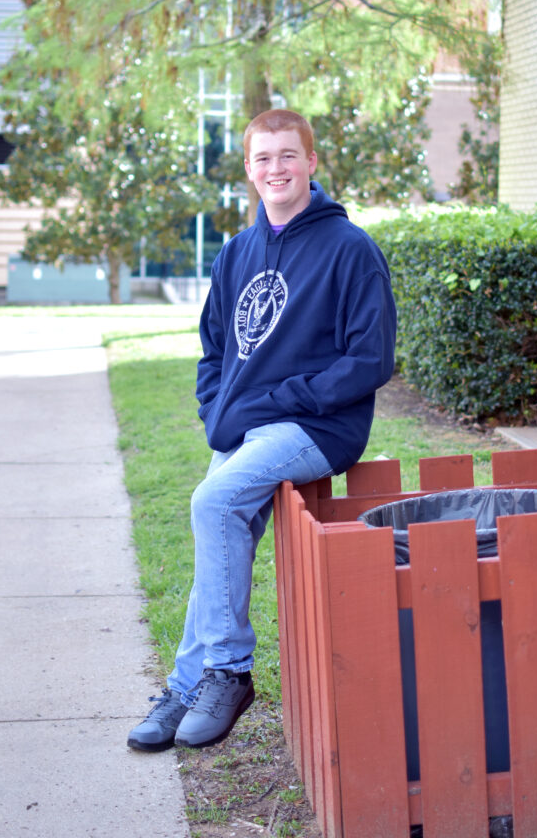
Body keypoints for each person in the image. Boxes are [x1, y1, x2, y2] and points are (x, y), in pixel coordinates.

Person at [128, 108, 397, 752]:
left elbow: (371, 358)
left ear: (311, 163)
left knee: (214, 500)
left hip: (316, 427)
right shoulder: (237, 253)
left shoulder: (350, 249)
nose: (275, 168)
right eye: (262, 159)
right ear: (248, 171)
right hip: (245, 429)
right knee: (220, 544)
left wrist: (281, 399)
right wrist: (213, 410)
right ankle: (185, 684)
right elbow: (214, 347)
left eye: (287, 155)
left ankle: (228, 669)